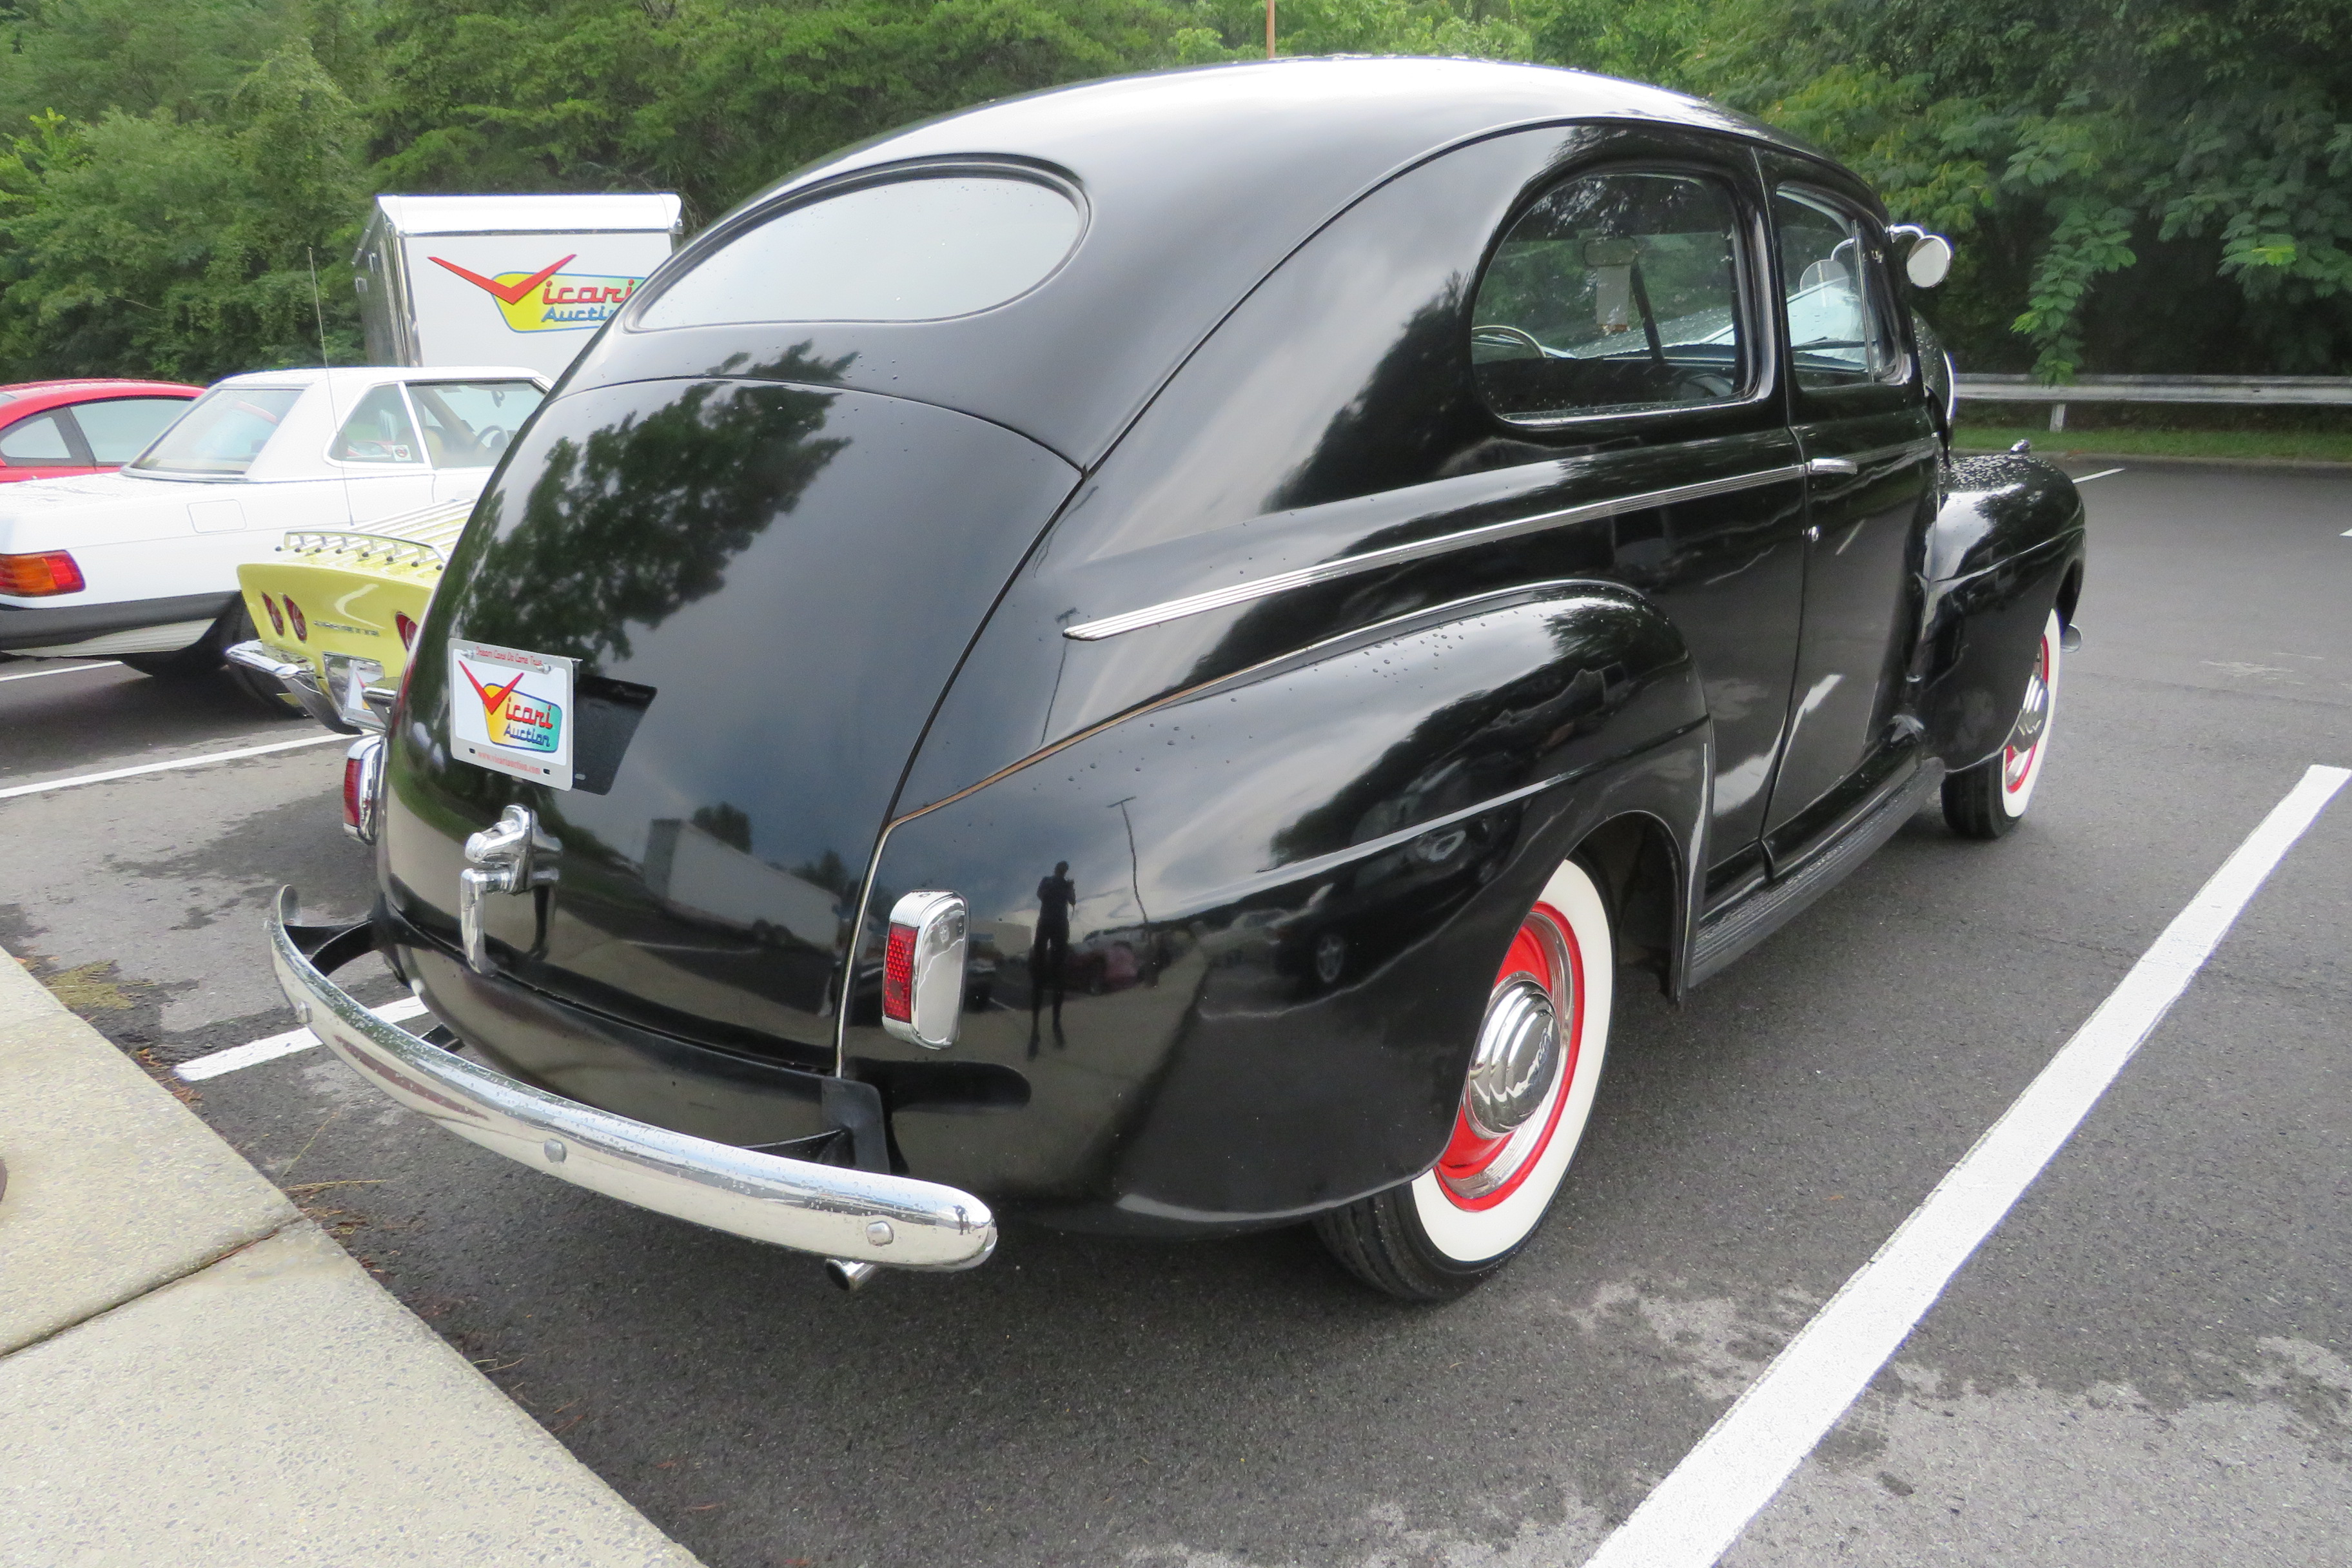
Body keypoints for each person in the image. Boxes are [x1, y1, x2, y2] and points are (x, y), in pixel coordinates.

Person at [1030, 860, 1074, 1049]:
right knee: (1038, 977)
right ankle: (1035, 1029)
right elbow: (1040, 895)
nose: (1062, 871)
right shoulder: (1047, 880)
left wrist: (1070, 888)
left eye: (1064, 869)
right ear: (1056, 869)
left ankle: (1056, 1023)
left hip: (1060, 927)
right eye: (1060, 868)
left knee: (1059, 977)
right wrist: (1055, 888)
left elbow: (1073, 901)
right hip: (1046, 924)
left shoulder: (1066, 884)